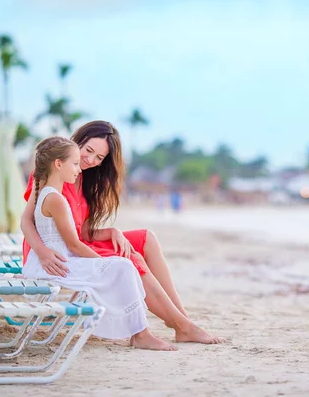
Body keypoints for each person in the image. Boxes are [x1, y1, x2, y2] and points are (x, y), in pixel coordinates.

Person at [21, 121, 224, 344]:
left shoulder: (83, 179)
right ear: (78, 141)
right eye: (88, 151)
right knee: (132, 258)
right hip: (54, 252)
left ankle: (181, 318)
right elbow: (26, 221)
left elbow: (84, 232)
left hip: (77, 244)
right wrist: (41, 251)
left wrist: (111, 232)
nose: (90, 161)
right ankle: (180, 326)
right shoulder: (52, 174)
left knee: (147, 238)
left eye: (99, 158)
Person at [23, 136, 176, 351]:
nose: (79, 169)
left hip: (59, 260)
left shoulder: (50, 193)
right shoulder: (56, 198)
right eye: (75, 163)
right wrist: (104, 263)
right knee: (121, 267)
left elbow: (77, 238)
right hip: (57, 262)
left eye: (99, 157)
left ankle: (143, 331)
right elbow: (74, 245)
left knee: (123, 266)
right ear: (58, 164)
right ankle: (141, 334)